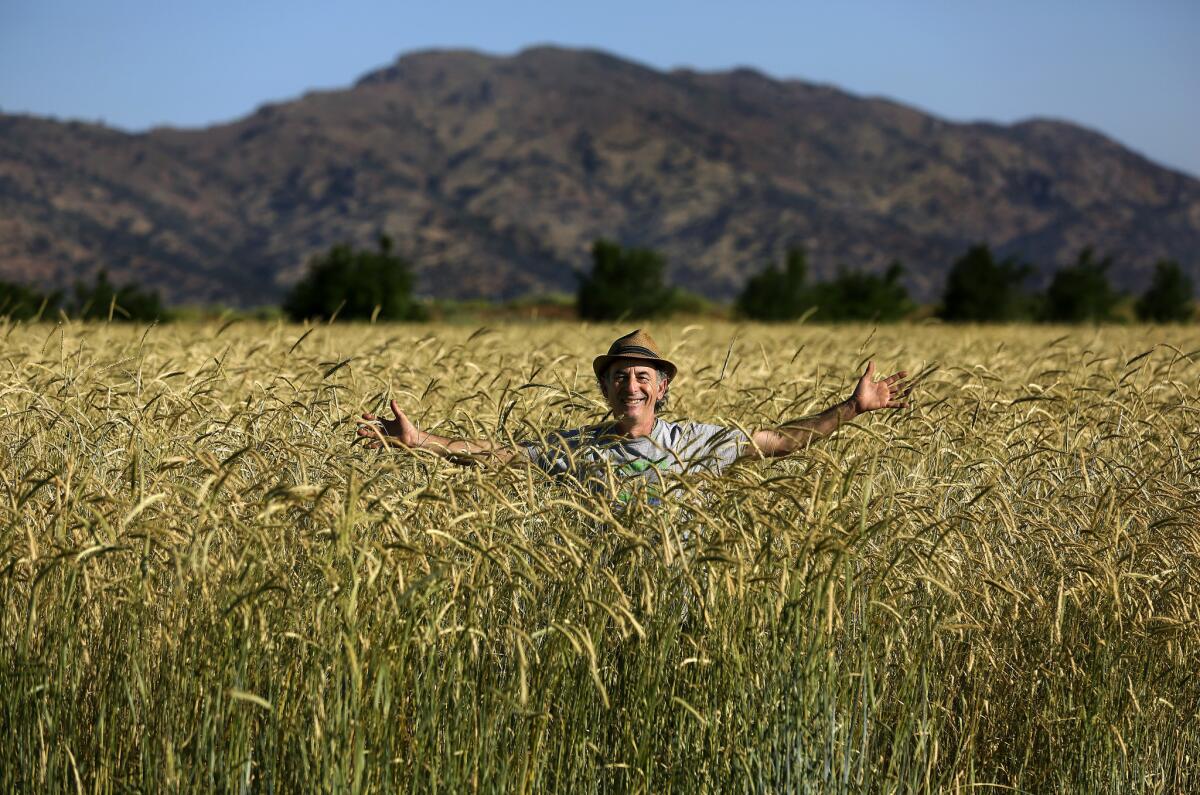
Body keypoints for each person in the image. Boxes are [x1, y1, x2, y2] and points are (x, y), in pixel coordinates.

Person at [357, 329, 911, 496]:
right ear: (604, 387)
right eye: (619, 376)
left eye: (643, 376)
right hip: (602, 600)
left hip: (680, 600)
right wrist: (423, 440)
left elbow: (781, 442)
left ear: (662, 387)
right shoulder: (576, 448)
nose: (631, 385)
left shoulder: (694, 441)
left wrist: (852, 408)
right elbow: (502, 457)